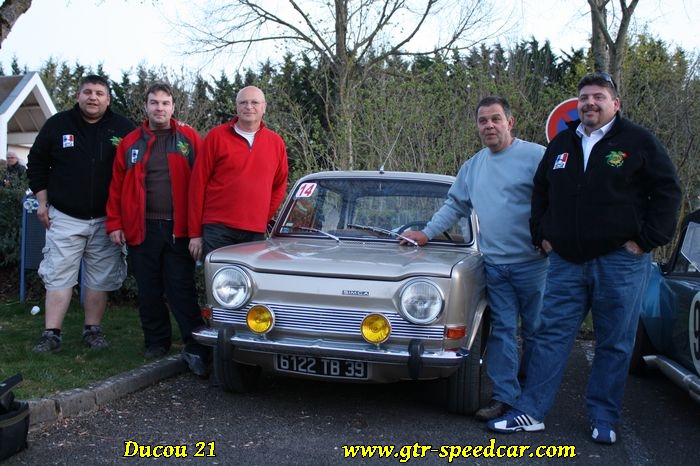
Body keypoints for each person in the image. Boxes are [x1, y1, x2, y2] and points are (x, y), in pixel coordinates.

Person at [488, 72, 682, 444]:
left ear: (615, 104)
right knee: (549, 336)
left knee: (614, 341)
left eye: (598, 97)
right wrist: (542, 235)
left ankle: (603, 417)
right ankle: (530, 411)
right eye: (584, 98)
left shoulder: (638, 142)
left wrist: (647, 240)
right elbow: (541, 191)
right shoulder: (562, 143)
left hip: (620, 262)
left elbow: (668, 191)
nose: (590, 103)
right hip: (565, 262)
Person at [400, 96, 547, 421]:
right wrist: (426, 233)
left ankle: (533, 397)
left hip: (535, 264)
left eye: (496, 119)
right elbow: (455, 206)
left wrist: (553, 237)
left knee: (538, 331)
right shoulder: (473, 166)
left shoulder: (537, 157)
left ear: (510, 122)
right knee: (503, 331)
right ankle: (505, 398)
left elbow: (559, 198)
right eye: (483, 121)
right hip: (494, 264)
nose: (489, 126)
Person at [27, 74, 136, 353]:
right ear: (78, 96)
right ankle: (51, 333)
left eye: (99, 93)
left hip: (106, 220)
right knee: (58, 275)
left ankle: (93, 330)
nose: (93, 97)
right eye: (87, 92)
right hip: (63, 216)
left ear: (108, 99)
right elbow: (36, 163)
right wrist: (42, 201)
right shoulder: (58, 125)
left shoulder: (123, 128)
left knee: (100, 278)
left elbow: (140, 161)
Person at [106, 82, 209, 376]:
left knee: (181, 290)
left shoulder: (189, 139)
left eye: (165, 103)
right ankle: (156, 343)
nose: (159, 108)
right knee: (149, 290)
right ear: (146, 106)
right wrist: (114, 223)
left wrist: (198, 229)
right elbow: (116, 186)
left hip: (180, 231)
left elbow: (203, 184)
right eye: (154, 103)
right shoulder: (130, 143)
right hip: (142, 229)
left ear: (173, 107)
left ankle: (196, 345)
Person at [188, 86, 288, 260]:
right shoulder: (216, 137)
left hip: (255, 232)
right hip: (217, 229)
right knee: (219, 282)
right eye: (243, 102)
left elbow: (279, 186)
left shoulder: (276, 142)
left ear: (264, 107)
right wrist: (195, 233)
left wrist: (262, 218)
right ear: (236, 106)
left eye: (254, 102)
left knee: (250, 284)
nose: (249, 106)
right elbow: (197, 185)